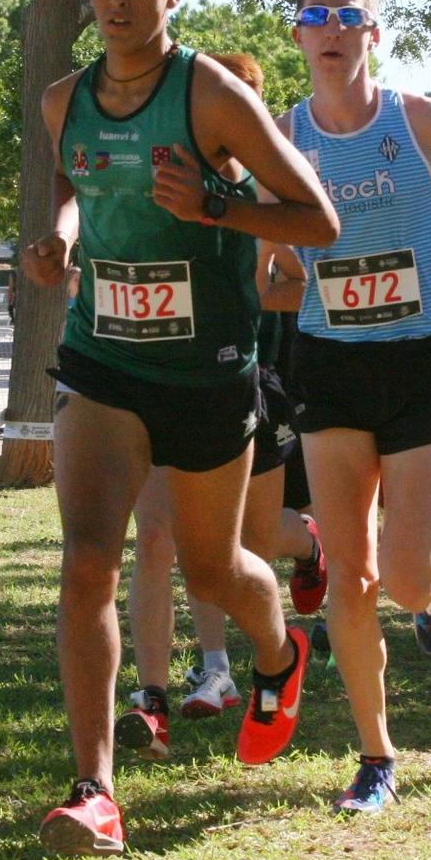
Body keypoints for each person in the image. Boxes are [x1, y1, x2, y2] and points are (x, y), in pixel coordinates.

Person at [26, 0, 338, 856]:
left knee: (213, 567)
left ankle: (281, 657)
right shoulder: (62, 101)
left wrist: (216, 206)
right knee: (88, 559)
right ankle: (96, 790)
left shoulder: (208, 94)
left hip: (206, 373)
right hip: (104, 359)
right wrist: (62, 242)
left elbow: (315, 220)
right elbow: (82, 184)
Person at [259, 0, 431, 813]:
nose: (330, 32)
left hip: (416, 360)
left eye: (347, 18)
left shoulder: (423, 122)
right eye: (314, 17)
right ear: (297, 35)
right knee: (349, 578)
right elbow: (271, 271)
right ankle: (376, 758)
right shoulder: (281, 139)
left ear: (375, 33)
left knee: (403, 579)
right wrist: (278, 277)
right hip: (328, 365)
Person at [119, 53, 326, 755]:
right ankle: (161, 694)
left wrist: (246, 294)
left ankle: (308, 550)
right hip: (147, 378)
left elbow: (310, 282)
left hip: (241, 385)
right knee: (156, 537)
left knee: (238, 549)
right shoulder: (166, 183)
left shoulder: (262, 203)